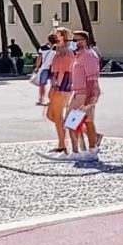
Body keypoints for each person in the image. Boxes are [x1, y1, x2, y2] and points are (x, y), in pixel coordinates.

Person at [66, 30, 104, 155]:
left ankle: (77, 151)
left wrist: (90, 95)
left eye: (75, 40)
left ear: (84, 41)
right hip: (79, 92)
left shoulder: (88, 56)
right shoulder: (80, 55)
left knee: (73, 122)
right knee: (86, 121)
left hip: (83, 94)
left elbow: (91, 77)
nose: (72, 43)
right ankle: (89, 149)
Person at [40, 28, 72, 156]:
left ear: (63, 37)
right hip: (56, 83)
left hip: (62, 85)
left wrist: (57, 85)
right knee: (50, 115)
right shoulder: (57, 51)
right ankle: (84, 131)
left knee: (58, 116)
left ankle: (62, 145)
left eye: (57, 34)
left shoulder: (66, 52)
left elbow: (64, 70)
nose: (54, 36)